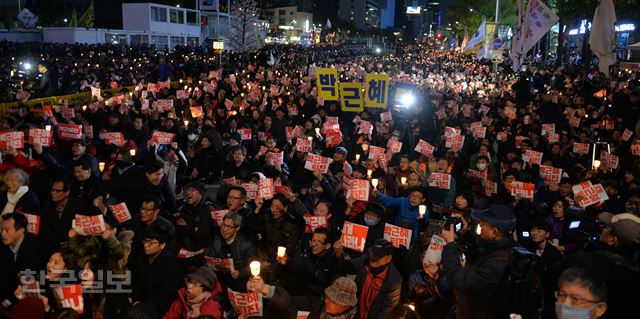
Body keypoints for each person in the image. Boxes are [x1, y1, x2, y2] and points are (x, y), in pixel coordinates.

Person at [440, 203, 516, 319]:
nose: (480, 225)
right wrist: (464, 235)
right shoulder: (504, 249)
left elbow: (457, 278)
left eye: (484, 223)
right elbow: (480, 255)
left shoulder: (498, 265)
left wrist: (450, 244)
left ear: (494, 232)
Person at [334, 238, 402, 319]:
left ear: (388, 259)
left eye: (378, 255)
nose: (373, 257)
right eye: (373, 253)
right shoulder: (364, 260)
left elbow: (386, 312)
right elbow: (346, 268)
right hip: (355, 315)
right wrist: (339, 255)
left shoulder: (394, 280)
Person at [130, 224, 184, 315]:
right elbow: (135, 281)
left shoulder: (170, 264)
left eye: (150, 243)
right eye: (145, 241)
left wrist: (143, 306)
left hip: (159, 308)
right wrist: (136, 300)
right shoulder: (141, 257)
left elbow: (166, 295)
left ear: (162, 245)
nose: (146, 245)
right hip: (139, 302)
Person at [0, 213, 45, 310]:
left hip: (28, 295)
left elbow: (28, 283)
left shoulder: (33, 249)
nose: (3, 233)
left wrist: (5, 303)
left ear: (21, 231)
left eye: (7, 230)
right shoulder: (4, 246)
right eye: (1, 229)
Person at [204, 211, 256, 291]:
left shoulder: (246, 244)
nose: (224, 229)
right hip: (220, 280)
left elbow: (253, 266)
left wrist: (240, 273)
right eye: (223, 225)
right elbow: (209, 257)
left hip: (239, 284)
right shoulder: (217, 240)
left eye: (229, 227)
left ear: (237, 228)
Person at [41, 176, 87, 251]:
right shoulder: (47, 205)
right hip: (53, 245)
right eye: (52, 190)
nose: (53, 193)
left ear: (67, 192)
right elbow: (45, 229)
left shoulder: (78, 206)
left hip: (74, 246)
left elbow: (82, 230)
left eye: (58, 191)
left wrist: (71, 242)